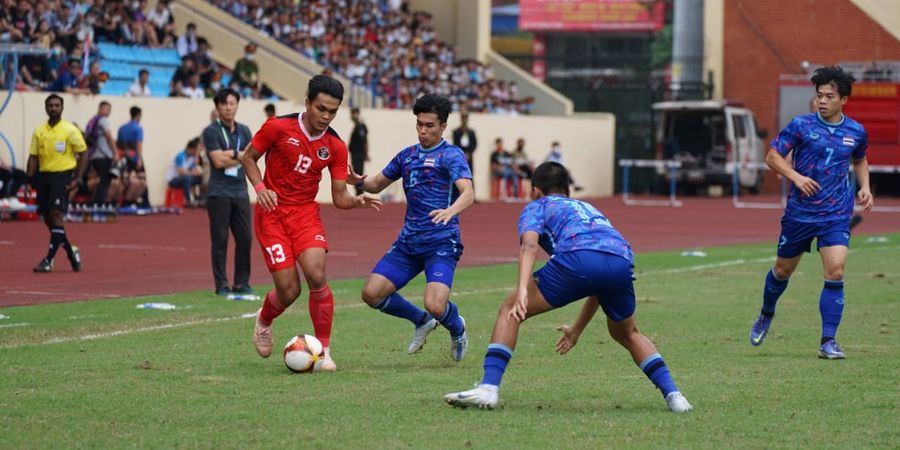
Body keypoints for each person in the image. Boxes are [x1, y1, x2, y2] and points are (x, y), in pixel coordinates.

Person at [444, 162, 692, 412]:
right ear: (568, 191)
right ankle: (675, 396)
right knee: (627, 333)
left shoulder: (537, 205)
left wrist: (521, 289)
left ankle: (488, 388)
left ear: (535, 191)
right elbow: (598, 282)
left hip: (577, 258)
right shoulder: (588, 207)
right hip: (621, 259)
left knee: (511, 308)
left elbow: (529, 245)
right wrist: (576, 330)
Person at [241, 75, 381, 371]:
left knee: (316, 275)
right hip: (272, 215)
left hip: (305, 215)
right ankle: (264, 319)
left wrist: (356, 200)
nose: (326, 117)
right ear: (307, 103)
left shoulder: (336, 146)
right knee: (290, 291)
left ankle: (324, 351)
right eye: (321, 109)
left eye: (332, 111)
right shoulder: (278, 127)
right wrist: (261, 188)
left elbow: (340, 197)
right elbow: (249, 158)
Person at [749, 66, 873, 359]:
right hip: (800, 215)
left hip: (836, 213)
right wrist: (796, 177)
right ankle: (766, 313)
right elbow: (772, 157)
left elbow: (860, 160)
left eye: (829, 96)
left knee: (836, 270)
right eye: (819, 95)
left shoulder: (856, 131)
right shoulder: (800, 125)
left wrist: (865, 187)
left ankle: (828, 341)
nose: (822, 101)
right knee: (782, 271)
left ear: (844, 99)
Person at [355, 93, 475, 361]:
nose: (423, 131)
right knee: (371, 294)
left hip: (442, 243)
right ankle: (421, 321)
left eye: (429, 125)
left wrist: (451, 210)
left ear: (443, 125)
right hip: (409, 244)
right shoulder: (407, 156)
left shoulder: (451, 155)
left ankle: (457, 328)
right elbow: (375, 184)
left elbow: (468, 193)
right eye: (419, 124)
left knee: (435, 304)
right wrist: (355, 179)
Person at [25, 94, 88, 273]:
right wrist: (29, 180)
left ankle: (48, 260)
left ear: (62, 107)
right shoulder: (39, 131)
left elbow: (83, 153)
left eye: (57, 105)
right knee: (48, 219)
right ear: (46, 108)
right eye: (50, 105)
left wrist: (78, 178)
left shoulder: (70, 130)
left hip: (62, 176)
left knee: (56, 215)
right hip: (43, 176)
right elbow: (33, 156)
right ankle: (71, 250)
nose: (53, 108)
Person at [201, 88, 254, 296]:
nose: (228, 107)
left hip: (240, 191)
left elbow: (250, 158)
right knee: (220, 239)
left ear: (237, 105)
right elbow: (217, 160)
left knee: (245, 238)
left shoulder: (245, 131)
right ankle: (221, 284)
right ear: (217, 107)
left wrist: (233, 155)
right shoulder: (211, 131)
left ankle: (242, 282)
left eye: (232, 103)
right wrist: (237, 154)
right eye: (224, 104)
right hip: (219, 192)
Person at [85, 101, 118, 205]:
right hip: (103, 155)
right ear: (100, 109)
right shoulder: (103, 120)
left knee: (102, 180)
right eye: (107, 109)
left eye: (109, 110)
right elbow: (109, 136)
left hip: (93, 156)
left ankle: (96, 201)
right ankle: (98, 202)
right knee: (105, 180)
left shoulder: (92, 121)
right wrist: (115, 153)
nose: (109, 112)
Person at [116, 106, 148, 206]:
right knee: (140, 180)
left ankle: (128, 201)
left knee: (128, 180)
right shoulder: (138, 128)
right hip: (133, 157)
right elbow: (139, 144)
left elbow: (118, 143)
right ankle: (129, 201)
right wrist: (138, 159)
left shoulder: (122, 128)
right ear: (138, 116)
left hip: (123, 157)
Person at [166, 137, 204, 206]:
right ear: (190, 149)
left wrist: (196, 155)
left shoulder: (192, 157)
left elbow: (197, 171)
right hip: (173, 180)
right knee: (187, 178)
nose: (196, 152)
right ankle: (188, 201)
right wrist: (192, 173)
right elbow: (180, 171)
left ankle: (199, 199)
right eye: (195, 151)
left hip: (185, 178)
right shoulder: (180, 156)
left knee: (200, 178)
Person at [348, 107, 368, 194]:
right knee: (356, 173)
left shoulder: (360, 126)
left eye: (353, 113)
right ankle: (358, 193)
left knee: (358, 174)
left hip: (358, 155)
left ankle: (360, 193)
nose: (352, 115)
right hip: (355, 154)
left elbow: (364, 141)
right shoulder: (357, 126)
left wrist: (366, 153)